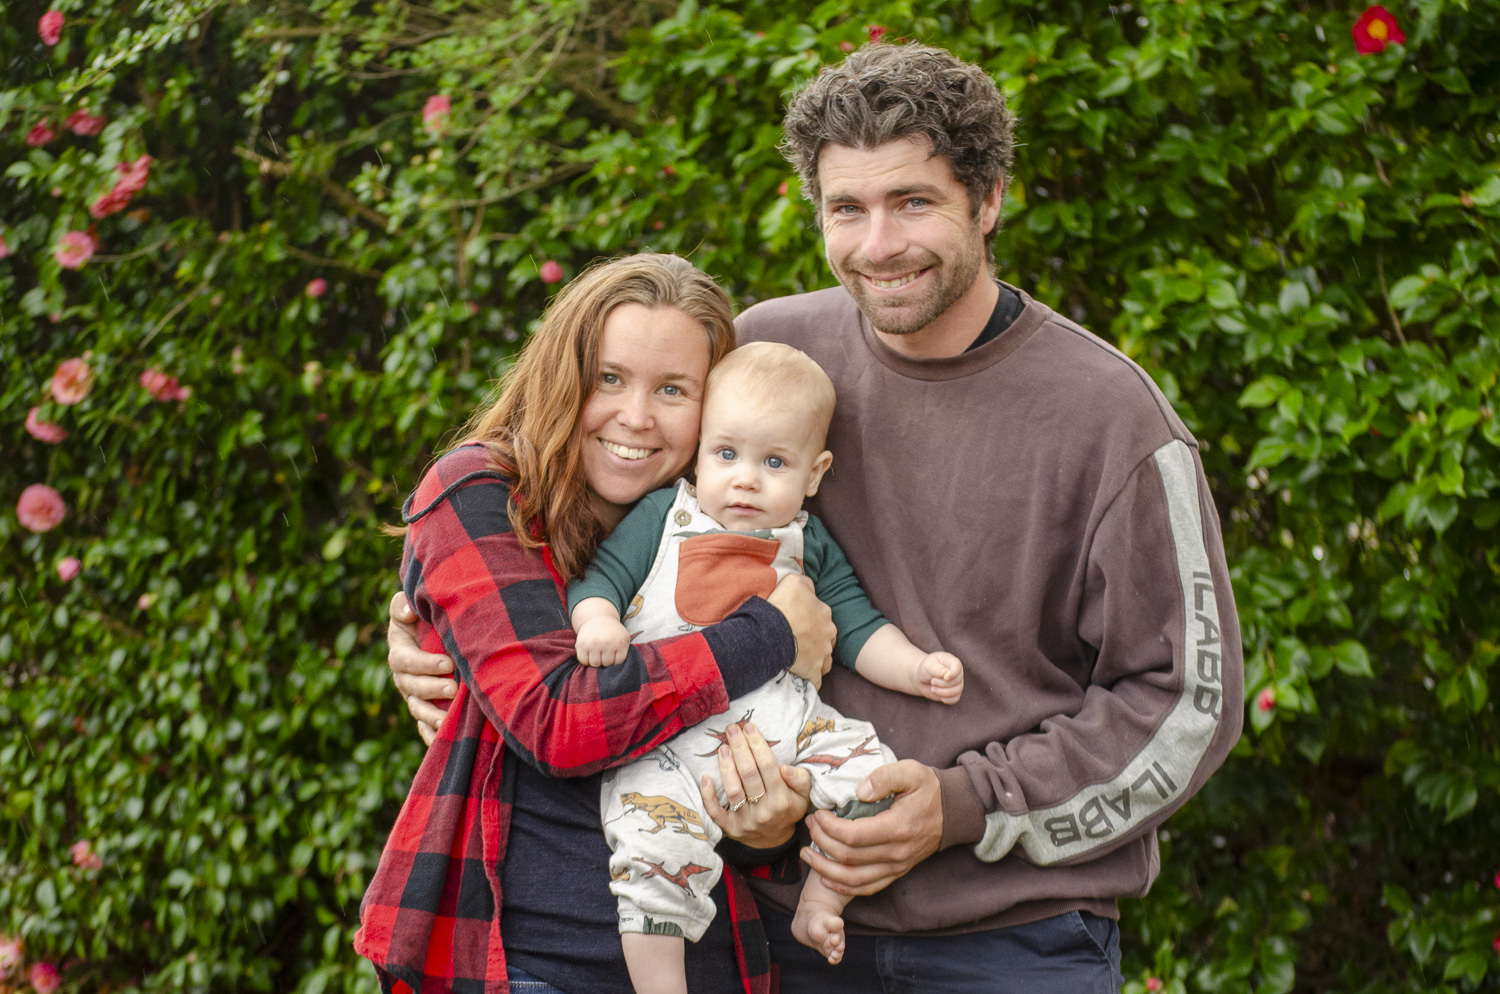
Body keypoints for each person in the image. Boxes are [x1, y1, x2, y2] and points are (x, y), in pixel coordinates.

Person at [389, 42, 1244, 994]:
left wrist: (965, 805)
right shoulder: (770, 351)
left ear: (989, 198)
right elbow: (611, 511)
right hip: (774, 934)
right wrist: (433, 629)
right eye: (848, 208)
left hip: (1009, 940)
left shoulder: (1110, 418)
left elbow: (1184, 704)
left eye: (913, 201)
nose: (878, 244)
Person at [355, 254, 841, 994]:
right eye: (609, 378)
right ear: (561, 373)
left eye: (673, 390)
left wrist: (769, 827)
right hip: (527, 966)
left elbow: (743, 734)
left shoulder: (736, 525)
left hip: (714, 961)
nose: (636, 417)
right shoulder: (483, 494)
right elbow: (558, 721)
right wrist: (771, 634)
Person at [569, 342, 964, 993]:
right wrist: (598, 622)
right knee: (652, 854)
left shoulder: (805, 541)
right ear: (700, 451)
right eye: (727, 455)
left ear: (815, 472)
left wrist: (918, 668)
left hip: (780, 727)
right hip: (661, 741)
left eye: (774, 462)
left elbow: (858, 627)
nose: (746, 478)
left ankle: (823, 897)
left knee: (875, 779)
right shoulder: (663, 517)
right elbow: (600, 579)